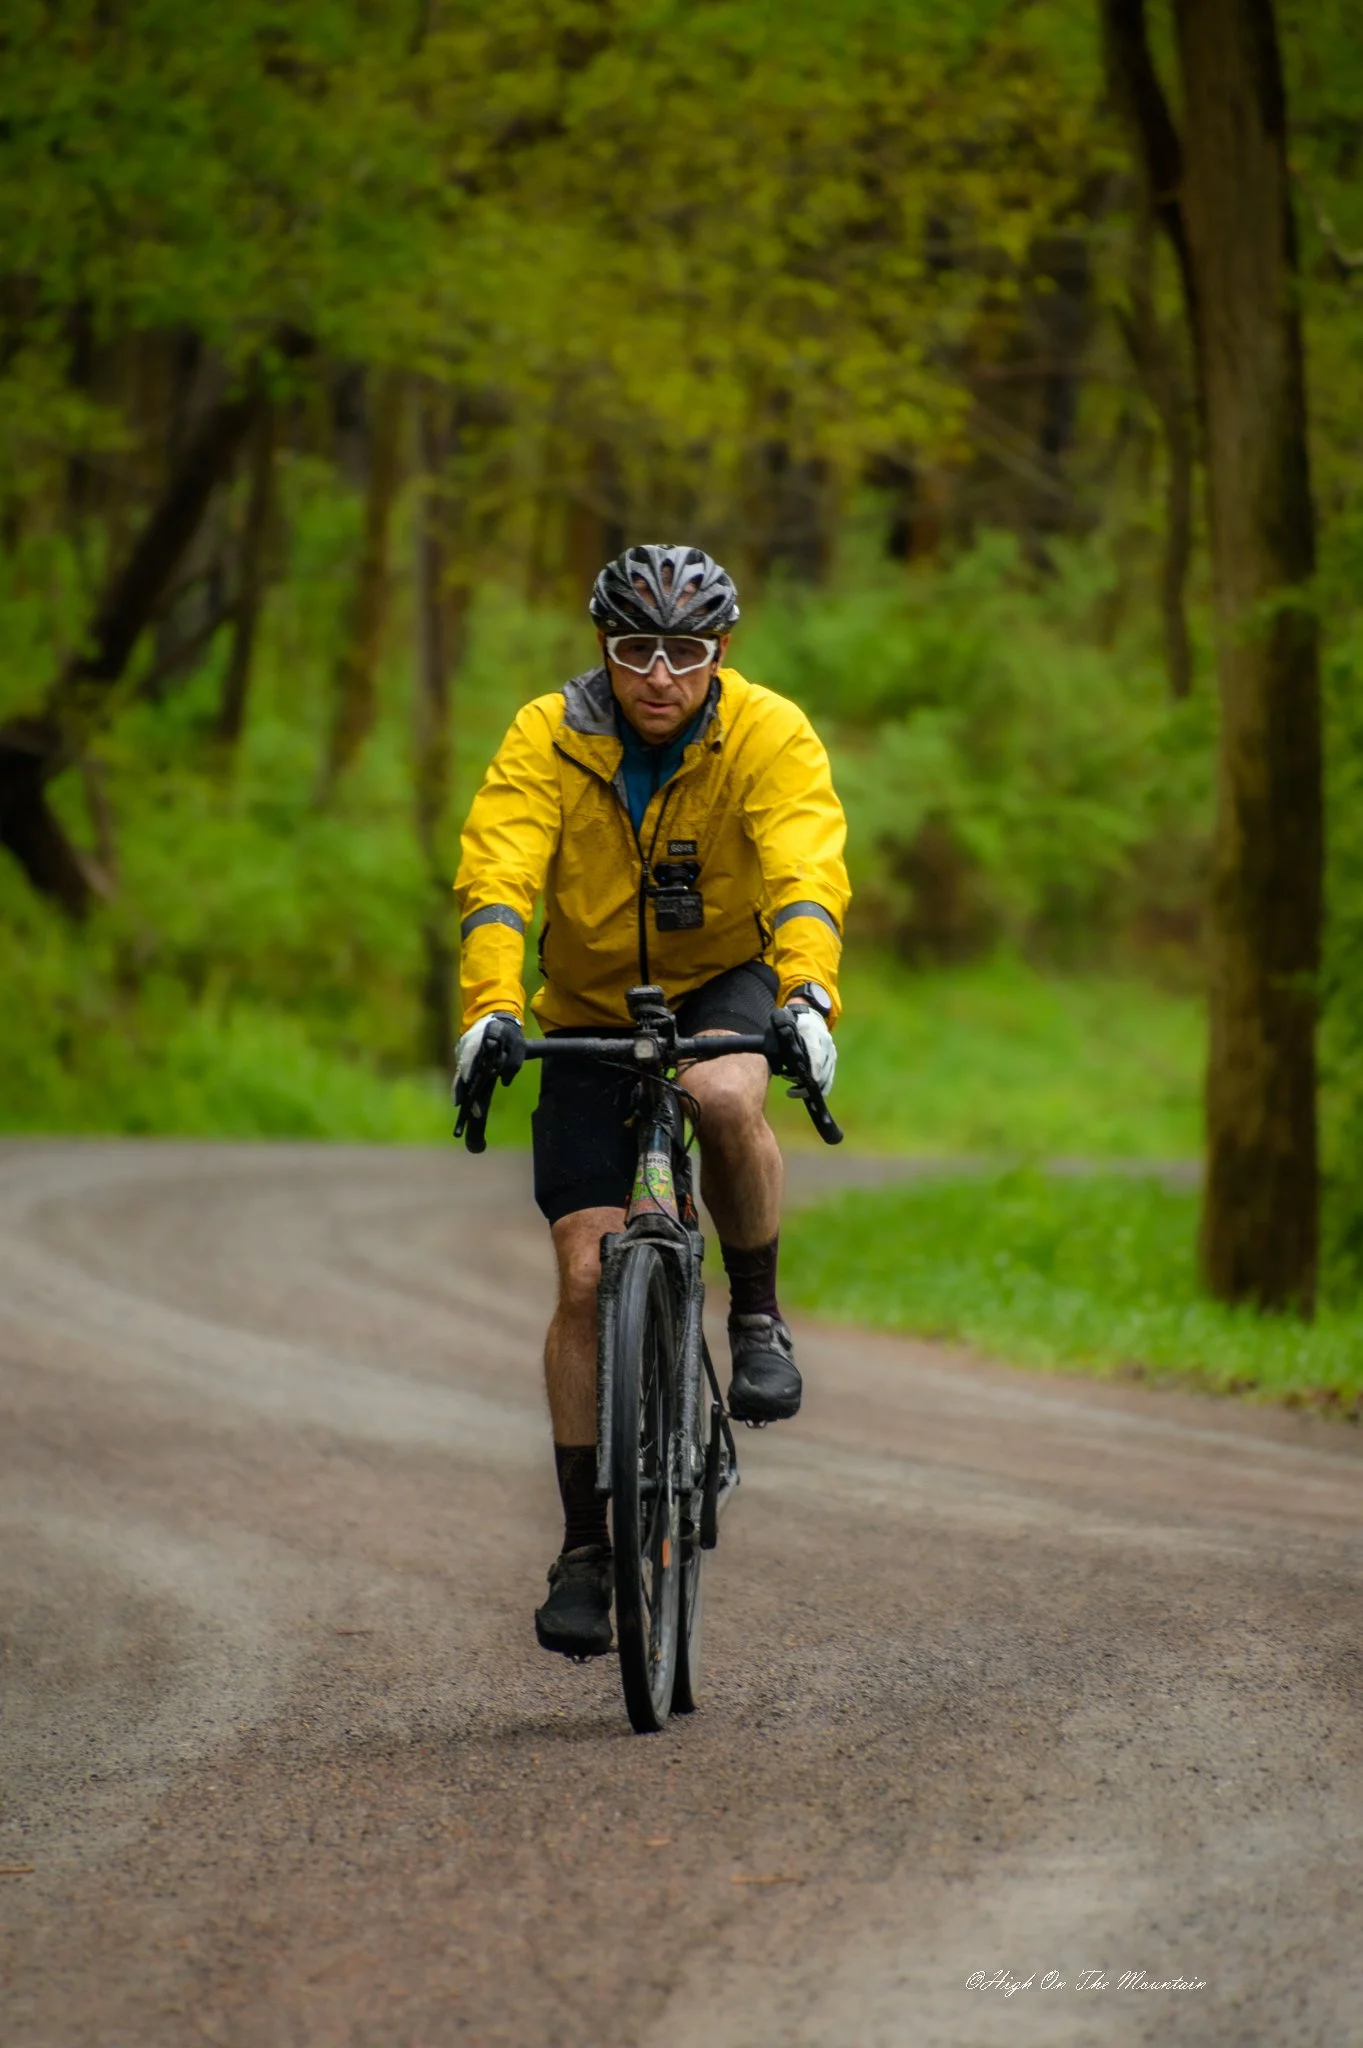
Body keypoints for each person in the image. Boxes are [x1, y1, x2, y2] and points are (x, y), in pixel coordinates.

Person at [454, 542, 850, 1657]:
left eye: (686, 651)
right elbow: (498, 874)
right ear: (604, 651)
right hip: (585, 997)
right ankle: (585, 1547)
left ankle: (758, 1313)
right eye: (637, 649)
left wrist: (808, 990)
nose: (661, 674)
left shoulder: (766, 731)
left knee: (724, 1093)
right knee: (585, 1269)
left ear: (720, 652)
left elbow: (806, 867)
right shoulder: (548, 734)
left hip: (725, 971)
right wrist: (489, 1005)